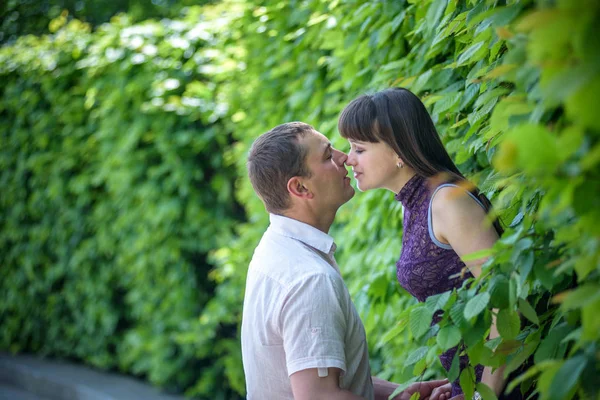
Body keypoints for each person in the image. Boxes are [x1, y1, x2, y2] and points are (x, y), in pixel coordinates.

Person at [241, 122, 451, 400]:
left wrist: (400, 394)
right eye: (328, 156)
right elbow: (320, 396)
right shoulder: (308, 279)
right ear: (300, 187)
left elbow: (328, 380)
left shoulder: (274, 250)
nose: (345, 158)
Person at [339, 88, 505, 399]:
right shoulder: (413, 205)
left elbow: (506, 299)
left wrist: (486, 395)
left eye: (359, 149)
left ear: (397, 151)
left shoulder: (447, 202)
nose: (348, 159)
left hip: (504, 385)